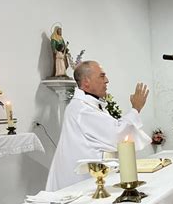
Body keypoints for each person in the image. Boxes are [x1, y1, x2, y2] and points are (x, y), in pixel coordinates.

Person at [46, 61, 151, 191]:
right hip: (78, 184)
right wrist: (136, 109)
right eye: (102, 76)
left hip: (88, 180)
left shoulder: (89, 106)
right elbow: (116, 135)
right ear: (86, 82)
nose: (107, 80)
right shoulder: (82, 109)